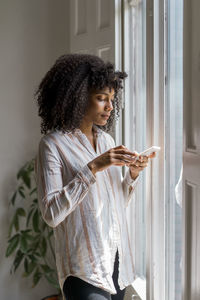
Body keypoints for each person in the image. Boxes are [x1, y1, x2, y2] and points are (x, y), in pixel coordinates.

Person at [34, 53, 156, 300]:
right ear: (78, 99)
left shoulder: (106, 141)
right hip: (82, 270)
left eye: (112, 99)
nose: (110, 106)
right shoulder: (52, 145)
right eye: (101, 99)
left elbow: (113, 206)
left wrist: (131, 175)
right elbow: (51, 214)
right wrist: (93, 167)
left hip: (115, 261)